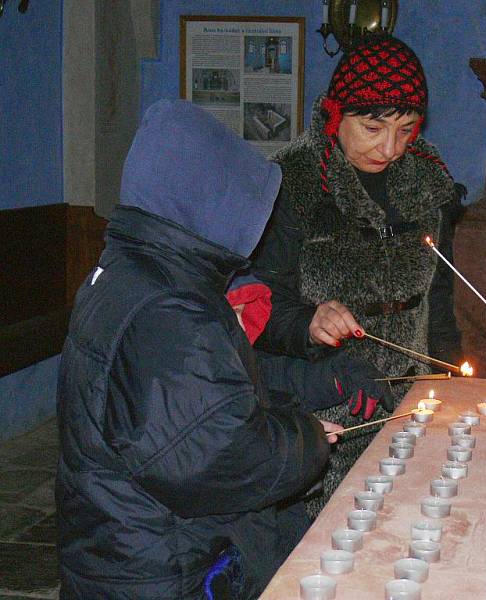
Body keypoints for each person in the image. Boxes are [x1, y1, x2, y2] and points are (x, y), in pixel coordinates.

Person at [56, 99, 337, 599]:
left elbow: (191, 413)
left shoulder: (134, 271)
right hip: (160, 567)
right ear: (202, 199)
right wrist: (306, 439)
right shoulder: (167, 309)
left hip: (121, 548)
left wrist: (283, 412)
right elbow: (217, 460)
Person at [251, 34, 464, 515]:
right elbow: (257, 303)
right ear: (335, 114)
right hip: (322, 407)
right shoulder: (291, 182)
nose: (390, 148)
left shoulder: (429, 182)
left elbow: (441, 296)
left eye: (407, 130)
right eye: (372, 127)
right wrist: (307, 321)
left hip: (411, 400)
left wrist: (451, 378)